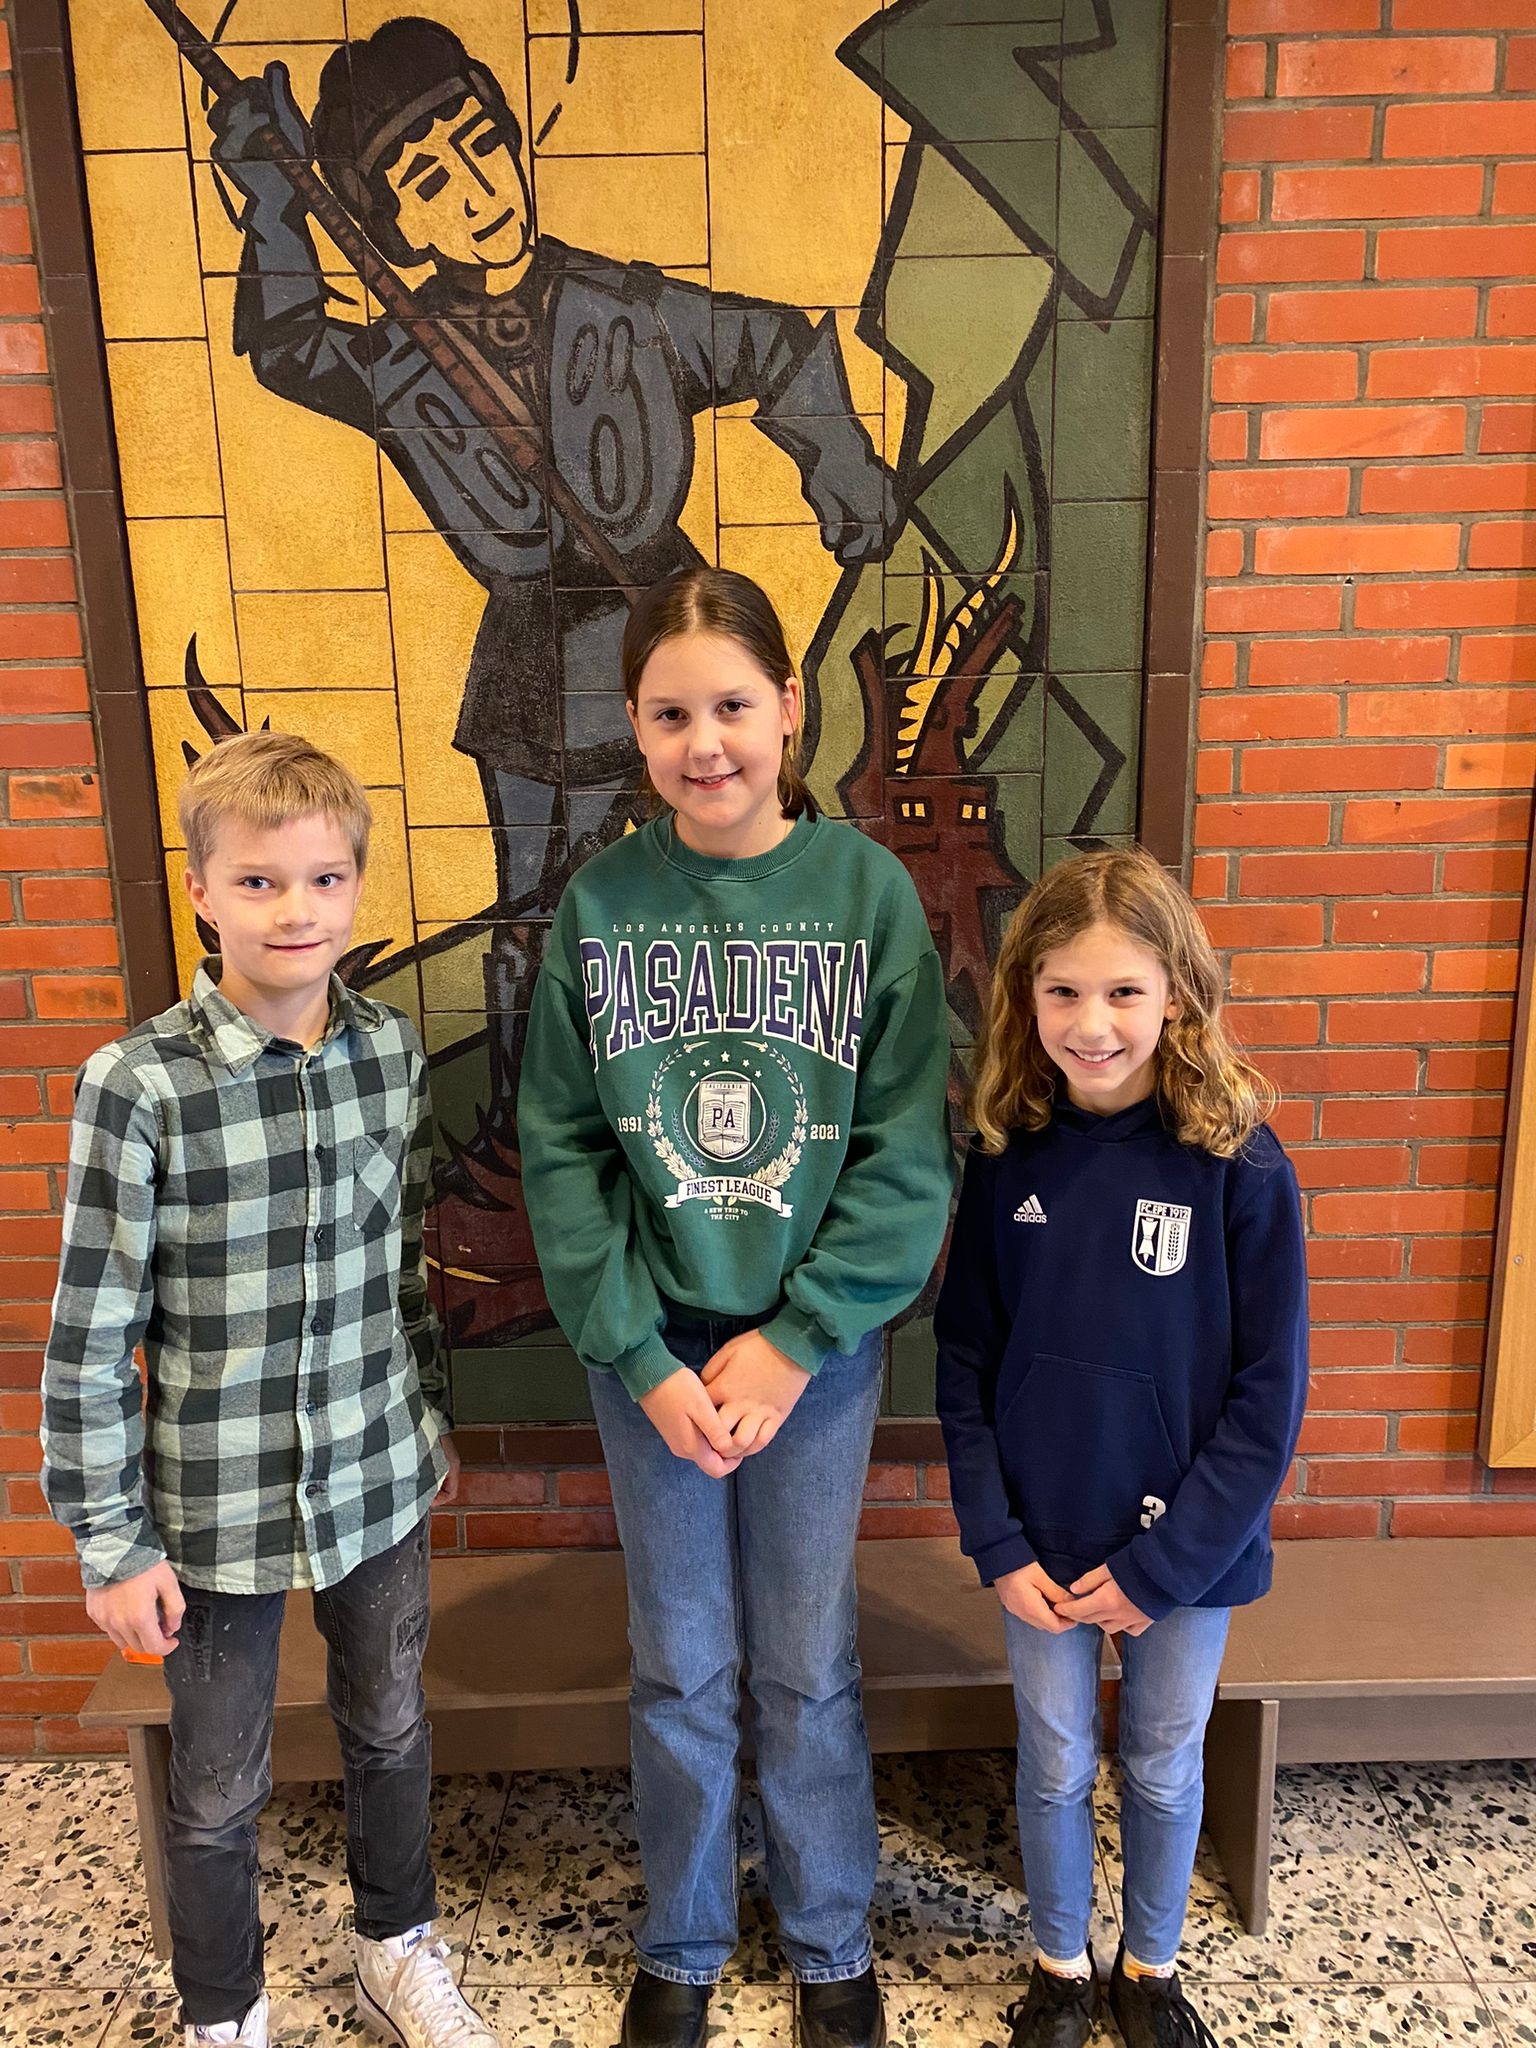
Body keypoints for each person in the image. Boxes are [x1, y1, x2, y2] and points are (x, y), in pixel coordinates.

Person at [207, 17, 895, 1228]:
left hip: (662, 628)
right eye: (428, 182)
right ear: (394, 223)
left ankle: (762, 1121)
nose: (474, 192)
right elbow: (284, 343)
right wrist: (269, 188)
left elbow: (781, 343)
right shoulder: (405, 357)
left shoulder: (625, 309)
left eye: (481, 146)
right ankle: (542, 1168)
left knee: (752, 884)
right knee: (539, 919)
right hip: (530, 668)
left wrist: (842, 477)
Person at [517, 567, 953, 2048]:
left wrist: (801, 1332)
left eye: (734, 706)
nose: (707, 742)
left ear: (791, 708)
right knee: (682, 1660)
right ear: (634, 730)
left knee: (806, 1661)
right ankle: (687, 1938)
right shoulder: (603, 904)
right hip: (652, 1360)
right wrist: (640, 1353)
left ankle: (832, 1938)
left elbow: (906, 1151)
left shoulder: (865, 895)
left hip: (812, 1357)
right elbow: (564, 1151)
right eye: (670, 713)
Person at [40, 733, 495, 2048]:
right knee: (218, 1782)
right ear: (201, 891)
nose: (294, 911)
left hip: (375, 1465)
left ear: (357, 891)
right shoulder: (138, 1088)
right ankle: (223, 2011)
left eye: (323, 880)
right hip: (212, 1502)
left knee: (391, 1725)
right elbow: (89, 1335)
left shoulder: (391, 1057)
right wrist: (110, 1540)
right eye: (258, 883)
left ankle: (394, 1948)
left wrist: (427, 1417)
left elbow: (406, 1257)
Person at [934, 846, 1308, 2048]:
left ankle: (1149, 1970)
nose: (1092, 1024)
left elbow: (1268, 1401)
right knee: (1049, 1763)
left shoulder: (1240, 1166)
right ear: (1025, 998)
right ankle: (1058, 1964)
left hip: (1186, 1557)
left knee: (1158, 1761)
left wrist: (1164, 1568)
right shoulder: (1004, 1153)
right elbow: (965, 1367)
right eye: (1063, 993)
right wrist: (994, 1538)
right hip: (1037, 1548)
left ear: (1180, 995)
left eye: (1124, 993)